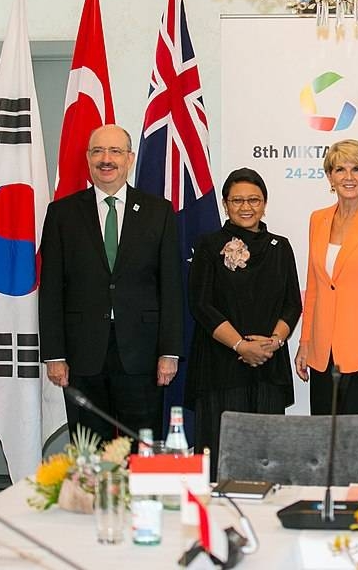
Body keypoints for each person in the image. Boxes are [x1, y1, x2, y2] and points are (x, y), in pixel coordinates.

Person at [39, 124, 183, 441]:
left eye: (115, 151)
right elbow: (51, 289)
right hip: (82, 353)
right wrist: (54, 355)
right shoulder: (62, 213)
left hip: (142, 353)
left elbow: (171, 287)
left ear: (129, 158)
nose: (106, 159)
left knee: (141, 446)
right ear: (88, 158)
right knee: (90, 449)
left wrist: (169, 351)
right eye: (98, 151)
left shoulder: (158, 212)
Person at [185, 168, 302, 480]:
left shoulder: (281, 246)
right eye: (237, 200)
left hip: (268, 364)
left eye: (254, 200)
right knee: (220, 455)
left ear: (264, 204)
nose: (246, 207)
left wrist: (273, 343)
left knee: (267, 457)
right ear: (225, 204)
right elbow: (201, 304)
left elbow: (292, 304)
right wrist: (240, 345)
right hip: (220, 366)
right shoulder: (209, 245)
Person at [294, 139, 358, 484]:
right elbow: (314, 286)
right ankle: (334, 503)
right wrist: (305, 342)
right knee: (329, 434)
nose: (349, 176)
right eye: (340, 169)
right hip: (323, 350)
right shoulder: (318, 219)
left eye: (357, 169)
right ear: (330, 176)